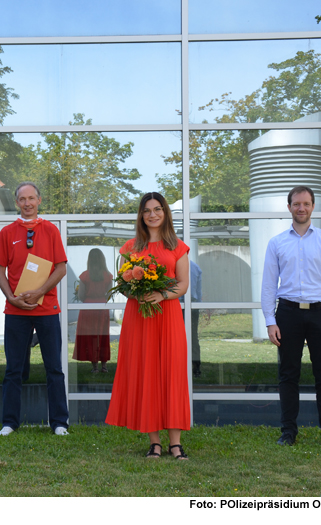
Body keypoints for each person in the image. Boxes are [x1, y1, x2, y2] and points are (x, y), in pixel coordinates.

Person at [105, 192, 191, 460]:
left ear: (165, 213)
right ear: (141, 216)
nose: (152, 215)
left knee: (172, 373)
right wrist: (137, 293)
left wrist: (161, 294)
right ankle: (154, 442)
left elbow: (183, 284)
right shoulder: (130, 247)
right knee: (147, 374)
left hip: (168, 317)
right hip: (139, 318)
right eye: (147, 211)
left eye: (157, 209)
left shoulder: (178, 246)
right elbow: (123, 284)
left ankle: (175, 444)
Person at [261, 185, 321, 449]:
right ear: (289, 208)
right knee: (288, 375)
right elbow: (268, 284)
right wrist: (270, 320)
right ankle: (288, 432)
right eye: (296, 204)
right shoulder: (277, 243)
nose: (301, 208)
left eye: (306, 204)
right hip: (287, 313)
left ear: (313, 207)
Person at [0, 182, 70, 436]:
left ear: (39, 200)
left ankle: (59, 422)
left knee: (54, 368)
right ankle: (9, 423)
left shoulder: (51, 231)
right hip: (15, 311)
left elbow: (61, 268)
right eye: (22, 199)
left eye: (31, 198)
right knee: (13, 369)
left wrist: (39, 292)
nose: (27, 203)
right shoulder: (6, 232)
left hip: (47, 309)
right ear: (17, 203)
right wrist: (11, 298)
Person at [72, 248, 113, 373]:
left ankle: (95, 367)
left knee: (91, 336)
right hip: (102, 308)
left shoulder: (85, 275)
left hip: (88, 308)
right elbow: (109, 295)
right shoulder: (108, 275)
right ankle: (104, 366)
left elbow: (81, 296)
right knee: (103, 335)